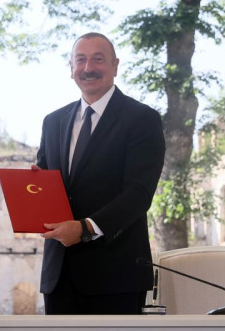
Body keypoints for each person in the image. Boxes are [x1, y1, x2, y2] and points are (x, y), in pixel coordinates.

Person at [36, 32, 165, 314]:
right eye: (80, 60)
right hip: (59, 276)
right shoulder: (53, 122)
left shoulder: (142, 119)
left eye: (98, 59)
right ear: (71, 68)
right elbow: (46, 182)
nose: (88, 68)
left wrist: (85, 229)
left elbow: (139, 193)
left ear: (115, 66)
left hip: (116, 276)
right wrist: (33, 188)